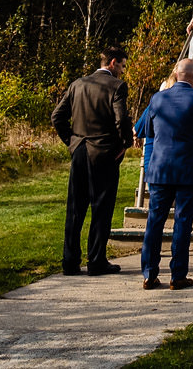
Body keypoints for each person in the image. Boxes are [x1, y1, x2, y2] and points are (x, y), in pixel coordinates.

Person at [133, 57, 193, 290]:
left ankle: (149, 273)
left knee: (154, 222)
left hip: (160, 169)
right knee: (183, 222)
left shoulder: (157, 98)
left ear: (175, 73)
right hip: (190, 170)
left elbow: (148, 132)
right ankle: (177, 275)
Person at [51, 44, 134, 277]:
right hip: (104, 153)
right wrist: (125, 144)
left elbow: (57, 116)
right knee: (101, 207)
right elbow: (121, 121)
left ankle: (70, 261)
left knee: (75, 208)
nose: (123, 71)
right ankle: (96, 260)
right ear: (113, 63)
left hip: (79, 151)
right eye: (122, 65)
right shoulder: (117, 87)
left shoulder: (77, 84)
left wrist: (72, 141)